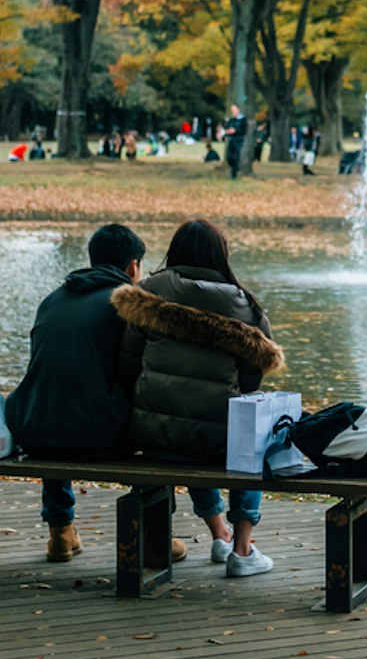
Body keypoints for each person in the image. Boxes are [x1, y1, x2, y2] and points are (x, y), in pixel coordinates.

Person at [3, 225, 185, 562]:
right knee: (157, 425)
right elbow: (143, 376)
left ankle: (60, 531)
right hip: (96, 435)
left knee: (57, 404)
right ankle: (156, 533)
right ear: (133, 267)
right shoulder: (128, 303)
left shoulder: (54, 298)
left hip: (33, 427)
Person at [113, 219, 284, 578]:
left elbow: (128, 364)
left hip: (153, 434)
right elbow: (254, 377)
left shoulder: (148, 290)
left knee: (187, 426)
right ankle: (241, 548)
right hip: (215, 440)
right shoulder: (244, 304)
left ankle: (219, 533)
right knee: (244, 439)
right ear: (220, 256)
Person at [223, 104, 247, 179]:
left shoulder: (243, 120)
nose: (234, 112)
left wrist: (235, 131)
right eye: (232, 110)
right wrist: (227, 133)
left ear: (238, 109)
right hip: (231, 140)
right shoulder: (231, 120)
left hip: (239, 140)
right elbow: (227, 129)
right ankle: (235, 167)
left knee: (236, 157)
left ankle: (234, 174)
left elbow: (244, 130)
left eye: (235, 110)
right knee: (229, 156)